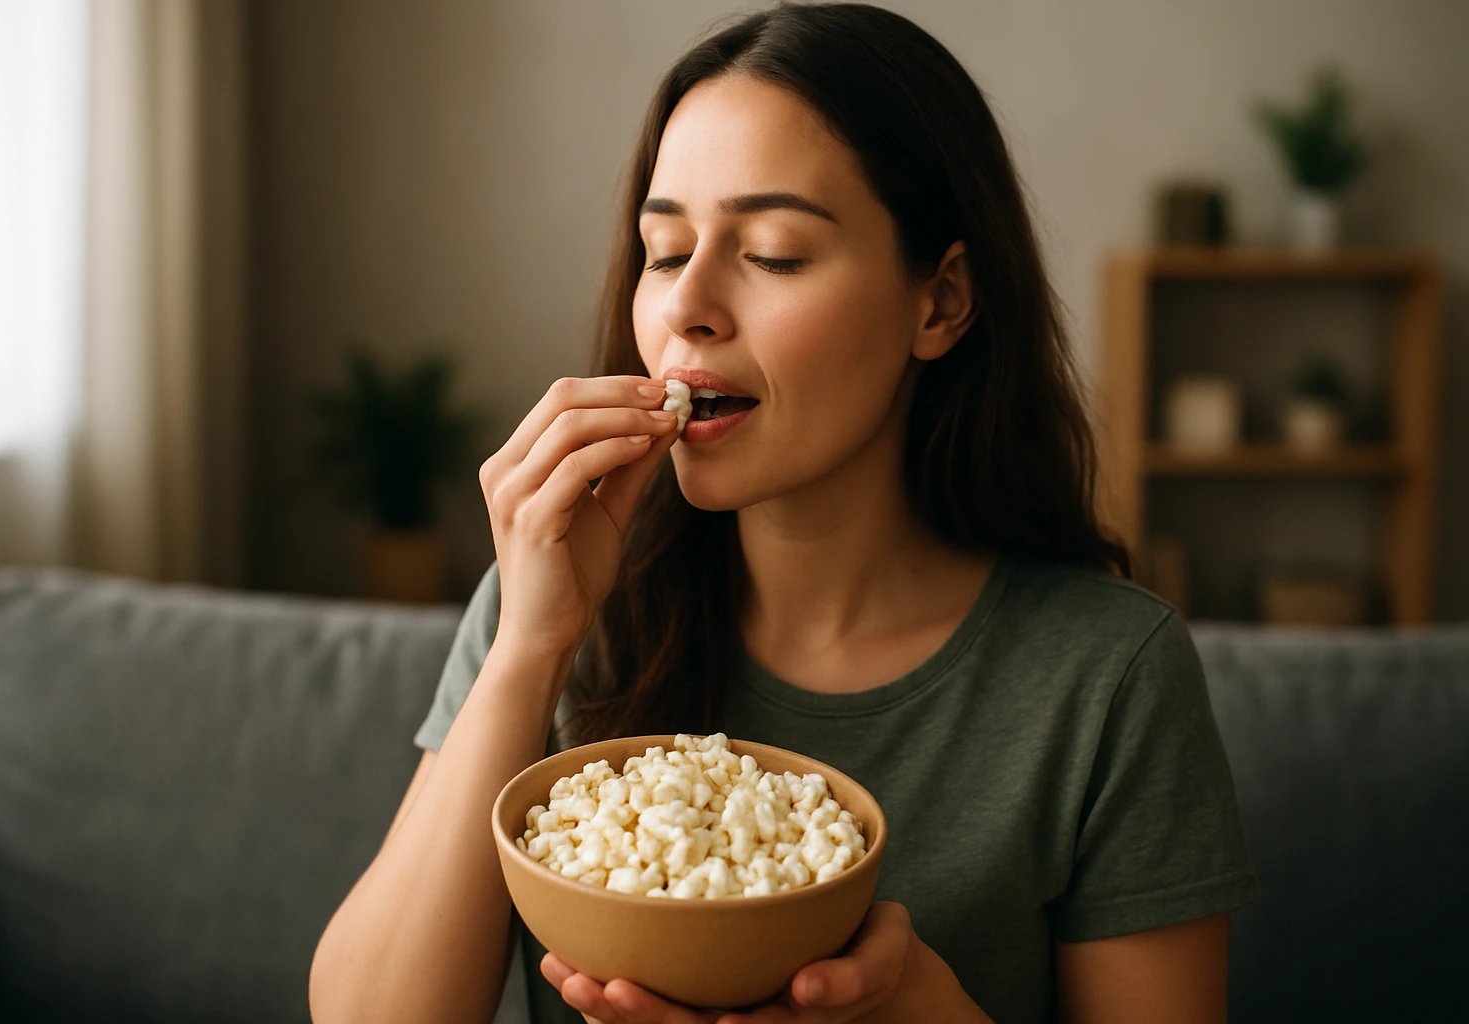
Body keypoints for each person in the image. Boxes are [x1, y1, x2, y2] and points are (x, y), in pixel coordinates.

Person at [308, 4, 1259, 1022]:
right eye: (666, 251)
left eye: (772, 253)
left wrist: (912, 1008)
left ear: (939, 302)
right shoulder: (555, 598)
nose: (686, 307)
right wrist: (527, 647)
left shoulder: (1107, 676)